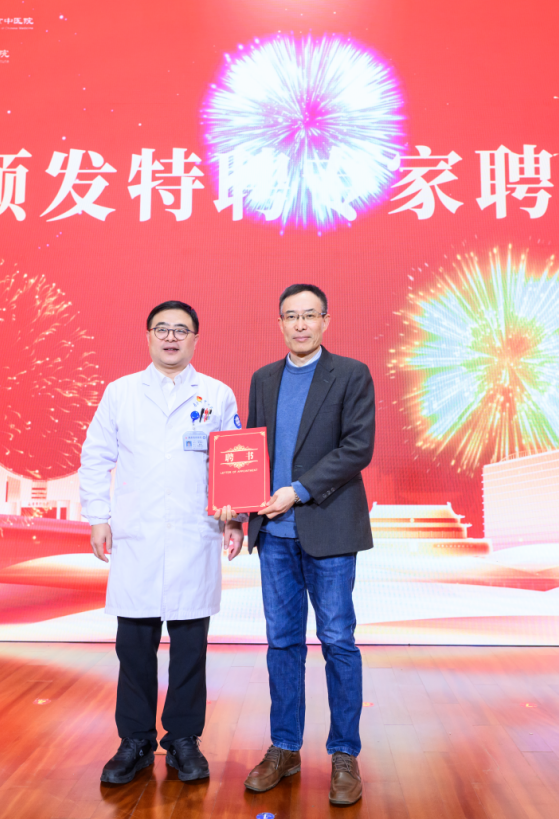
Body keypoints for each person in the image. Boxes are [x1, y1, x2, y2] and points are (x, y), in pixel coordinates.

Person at [214, 283, 375, 806]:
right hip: (274, 537)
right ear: (279, 323)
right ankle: (284, 747)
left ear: (326, 320)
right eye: (291, 316)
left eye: (309, 315)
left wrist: (299, 490)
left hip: (329, 530)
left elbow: (358, 447)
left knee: (337, 641)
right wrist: (240, 516)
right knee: (281, 643)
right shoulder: (264, 378)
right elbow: (249, 455)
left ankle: (344, 754)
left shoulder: (351, 374)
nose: (300, 324)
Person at [80, 300, 245, 786]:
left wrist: (236, 519)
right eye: (162, 329)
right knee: (134, 647)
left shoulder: (216, 394)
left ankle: (183, 740)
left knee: (190, 648)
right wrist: (98, 517)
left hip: (196, 535)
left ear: (195, 338)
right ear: (148, 336)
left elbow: (233, 462)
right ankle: (134, 741)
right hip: (138, 537)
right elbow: (96, 456)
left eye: (181, 330)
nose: (171, 337)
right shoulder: (121, 393)